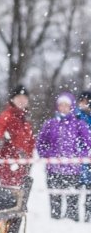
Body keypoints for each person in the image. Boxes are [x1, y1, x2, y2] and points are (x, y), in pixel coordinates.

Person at [37, 92, 91, 221]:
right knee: (55, 202)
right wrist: (48, 154)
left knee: (72, 204)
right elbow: (41, 143)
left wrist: (79, 155)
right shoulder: (50, 124)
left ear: (72, 106)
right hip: (53, 170)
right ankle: (55, 228)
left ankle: (72, 231)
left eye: (66, 105)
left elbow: (88, 143)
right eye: (61, 105)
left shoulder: (79, 124)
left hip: (73, 170)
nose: (63, 107)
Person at [0, 85, 35, 187]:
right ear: (12, 99)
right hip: (9, 171)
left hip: (23, 171)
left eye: (24, 98)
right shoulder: (5, 118)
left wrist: (28, 165)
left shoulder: (26, 120)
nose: (22, 100)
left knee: (20, 202)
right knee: (9, 201)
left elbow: (30, 145)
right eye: (19, 97)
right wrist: (3, 171)